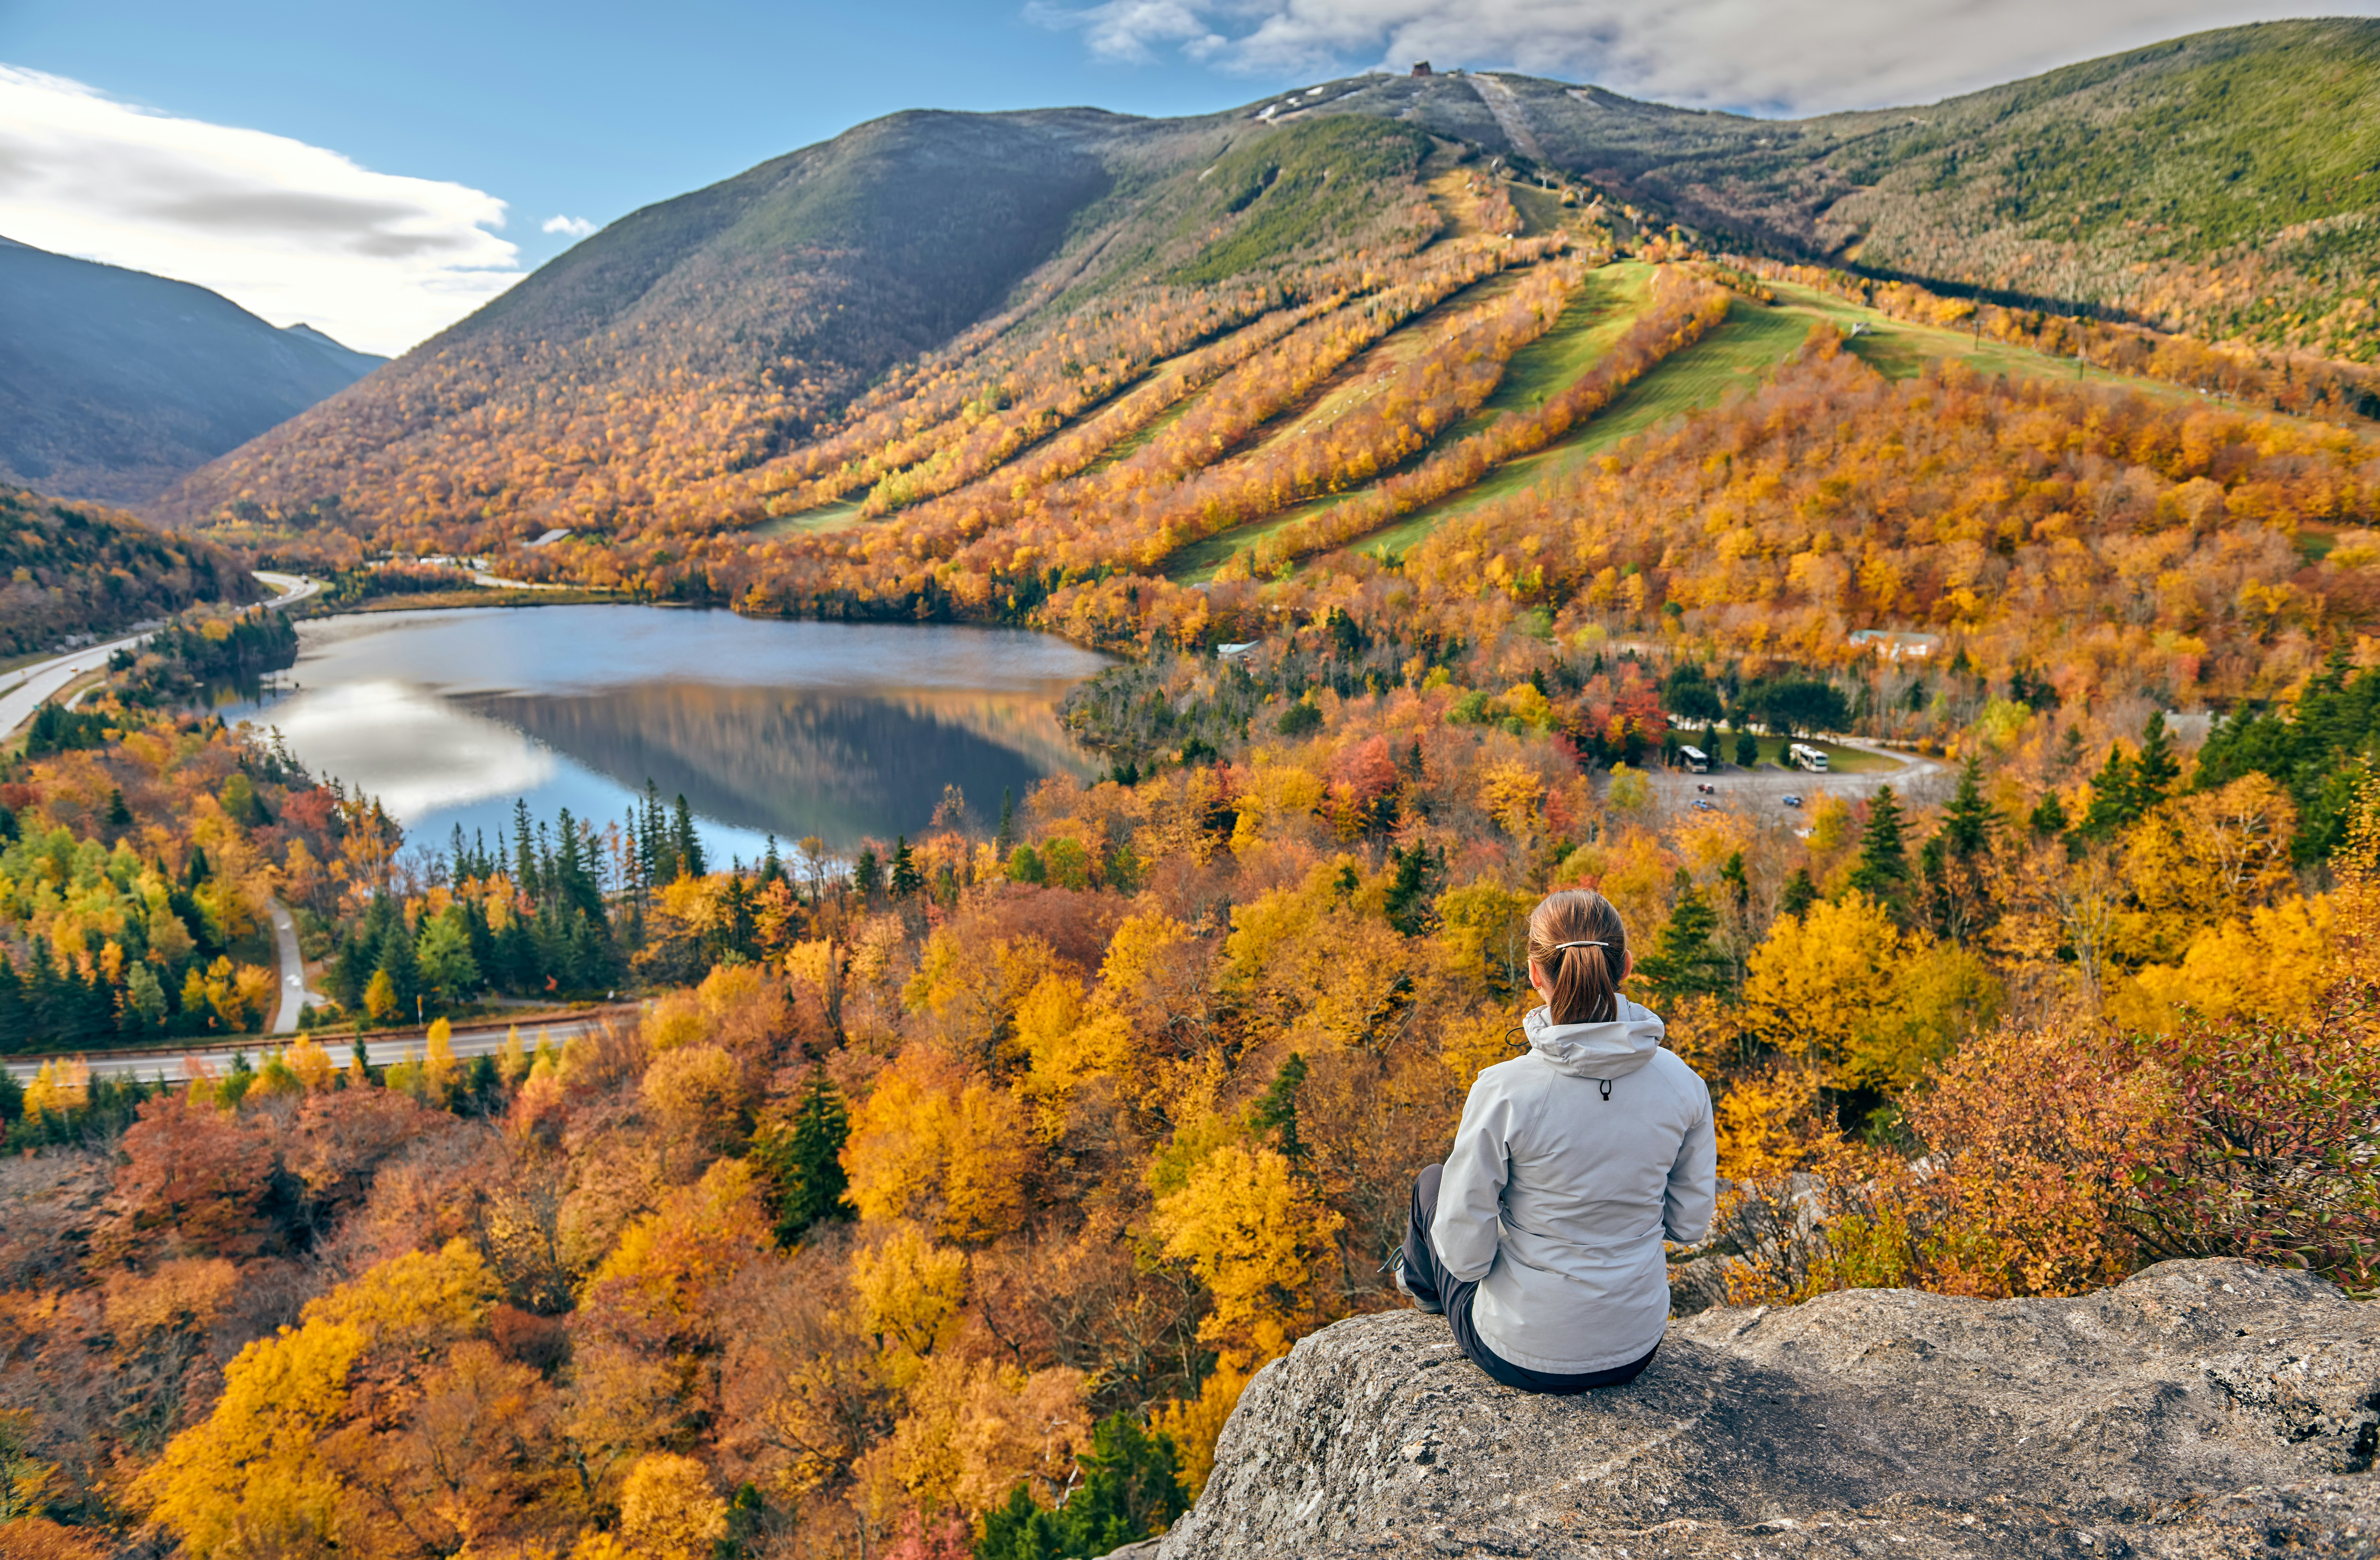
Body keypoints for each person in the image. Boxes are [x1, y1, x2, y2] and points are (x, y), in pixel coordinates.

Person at [1394, 888, 1715, 1392]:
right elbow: (1690, 1224)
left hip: (1522, 1353)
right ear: (1625, 966)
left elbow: (1465, 1255)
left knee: (1433, 1183)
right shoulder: (1683, 1084)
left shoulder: (1505, 1090)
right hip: (1636, 1348)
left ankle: (1423, 1295)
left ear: (1534, 974)